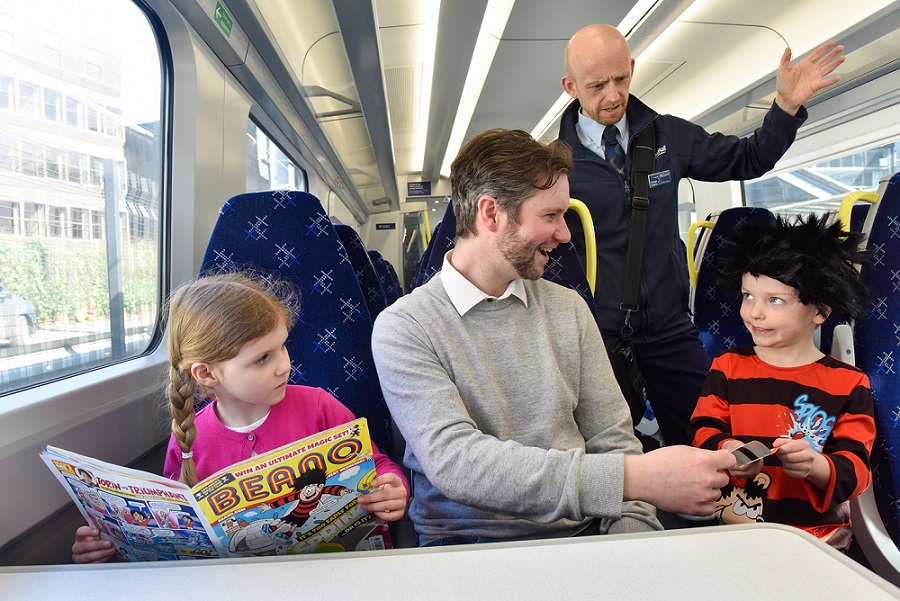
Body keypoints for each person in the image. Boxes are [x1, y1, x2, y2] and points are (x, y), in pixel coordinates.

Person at [372, 128, 737, 547]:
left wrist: (633, 546)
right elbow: (458, 464)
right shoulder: (405, 327)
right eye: (550, 216)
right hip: (466, 546)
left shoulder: (569, 308)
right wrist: (633, 479)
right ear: (491, 214)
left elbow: (614, 443)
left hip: (583, 536)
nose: (565, 234)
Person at [558, 24, 847, 447]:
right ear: (570, 87)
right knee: (608, 450)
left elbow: (749, 159)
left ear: (633, 68)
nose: (614, 95)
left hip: (668, 326)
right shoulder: (554, 161)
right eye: (598, 85)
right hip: (597, 333)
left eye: (621, 78)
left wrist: (784, 107)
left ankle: (706, 516)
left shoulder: (667, 136)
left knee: (707, 441)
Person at [72, 272, 408, 562]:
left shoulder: (319, 407)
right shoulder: (190, 439)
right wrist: (108, 546)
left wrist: (392, 487)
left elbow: (378, 465)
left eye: (283, 347)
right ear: (207, 374)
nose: (284, 365)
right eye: (262, 359)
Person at [688, 213, 875, 549]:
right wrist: (728, 450)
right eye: (748, 296)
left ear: (819, 311)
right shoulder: (728, 367)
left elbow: (856, 469)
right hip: (733, 533)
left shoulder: (849, 383)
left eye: (775, 300)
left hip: (816, 541)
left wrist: (816, 465)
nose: (754, 312)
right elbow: (703, 432)